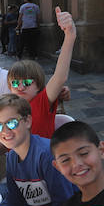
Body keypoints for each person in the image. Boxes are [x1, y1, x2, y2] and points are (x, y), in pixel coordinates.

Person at [8, 7, 76, 139]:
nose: (20, 87)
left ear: (38, 86)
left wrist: (70, 35)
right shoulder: (11, 106)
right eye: (15, 83)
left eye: (27, 83)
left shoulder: (41, 102)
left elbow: (60, 77)